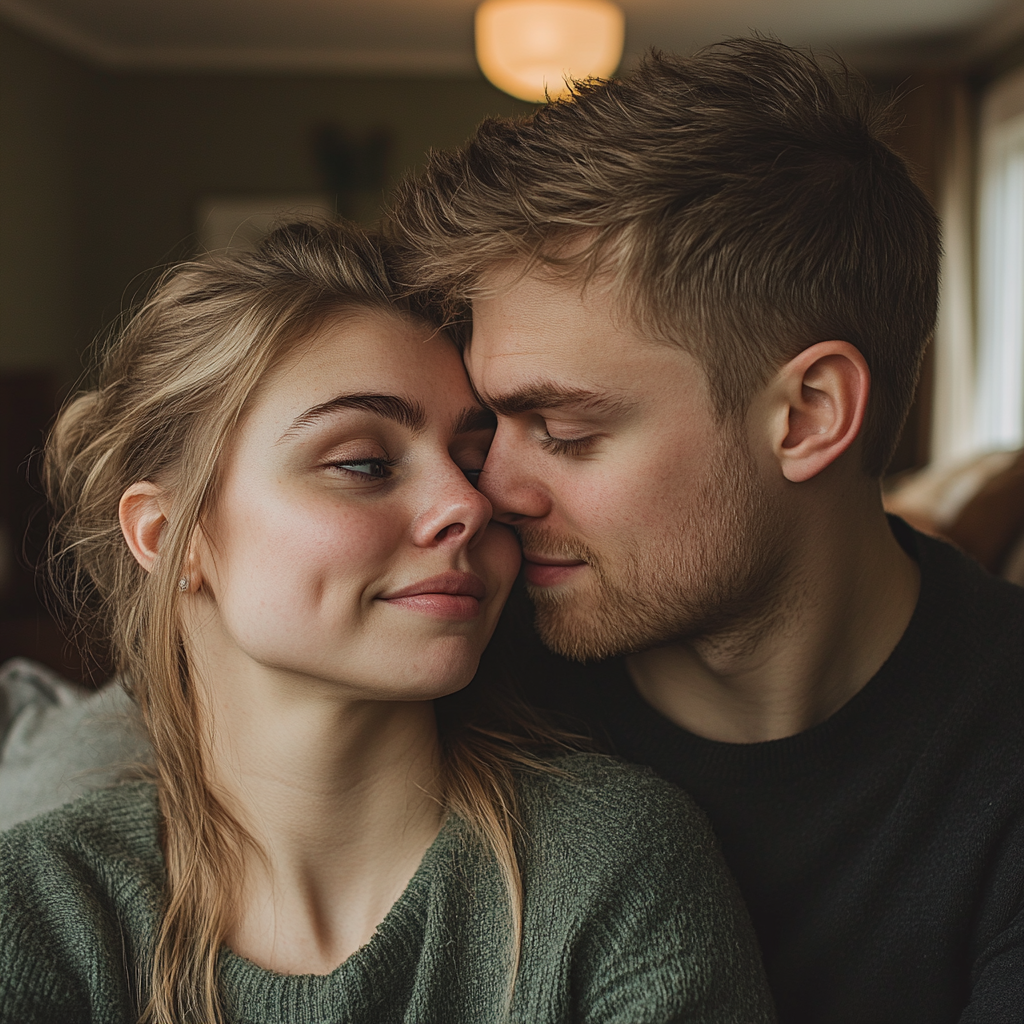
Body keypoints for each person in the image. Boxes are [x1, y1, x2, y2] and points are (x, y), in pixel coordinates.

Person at [388, 38, 1024, 1024]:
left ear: (807, 414)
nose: (491, 489)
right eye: (491, 425)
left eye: (562, 429)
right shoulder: (462, 678)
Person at [0, 222, 775, 1023]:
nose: (470, 505)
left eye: (472, 462)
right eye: (364, 464)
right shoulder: (39, 908)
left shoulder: (613, 866)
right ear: (170, 537)